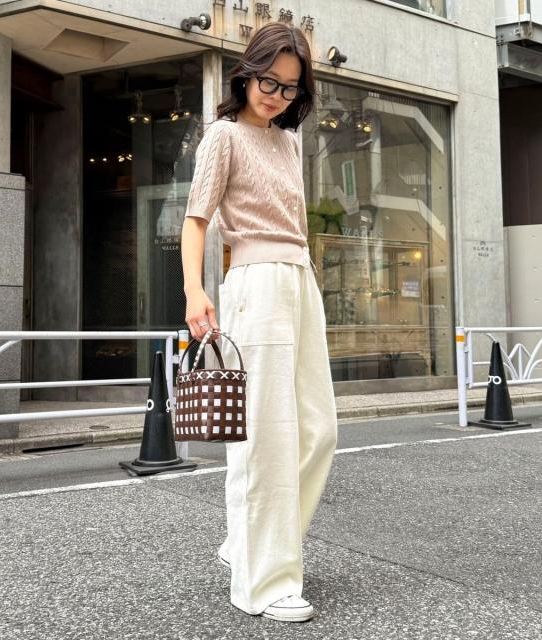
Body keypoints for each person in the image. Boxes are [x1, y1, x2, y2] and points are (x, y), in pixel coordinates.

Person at [180, 21, 338, 623]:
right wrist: (195, 291)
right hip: (256, 281)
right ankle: (264, 582)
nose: (276, 95)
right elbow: (197, 219)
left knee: (319, 429)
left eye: (289, 87)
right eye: (268, 81)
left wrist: (305, 282)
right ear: (246, 75)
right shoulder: (223, 136)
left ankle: (248, 543)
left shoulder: (289, 143)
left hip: (299, 279)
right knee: (267, 435)